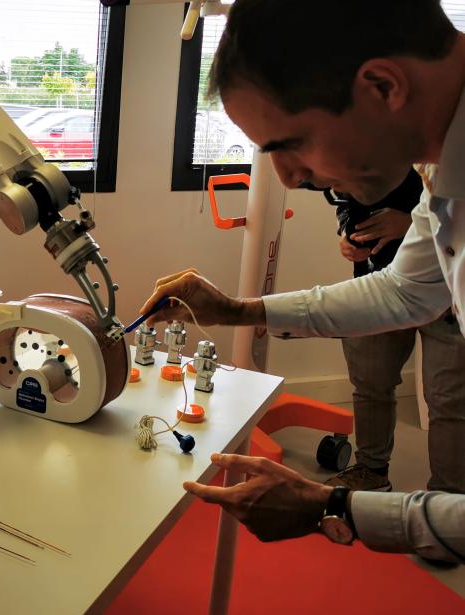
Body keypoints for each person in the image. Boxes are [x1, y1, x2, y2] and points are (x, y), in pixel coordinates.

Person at [138, 0, 465, 562]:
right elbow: (405, 290)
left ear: (383, 87)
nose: (288, 177)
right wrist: (237, 310)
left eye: (290, 143)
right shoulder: (442, 169)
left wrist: (333, 508)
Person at [324, 171, 465, 494]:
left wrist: (411, 225)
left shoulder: (445, 142)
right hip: (378, 280)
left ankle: (447, 500)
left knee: (448, 400)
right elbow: (346, 202)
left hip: (445, 288)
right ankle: (371, 471)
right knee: (369, 380)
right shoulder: (359, 148)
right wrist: (347, 233)